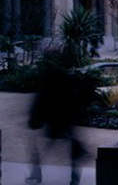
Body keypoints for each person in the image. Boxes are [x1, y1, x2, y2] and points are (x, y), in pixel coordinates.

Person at [27, 52, 93, 184]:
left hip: (55, 118)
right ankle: (73, 175)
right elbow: (78, 96)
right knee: (68, 144)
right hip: (64, 117)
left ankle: (37, 172)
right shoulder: (66, 77)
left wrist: (35, 117)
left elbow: (41, 99)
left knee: (42, 146)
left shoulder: (51, 77)